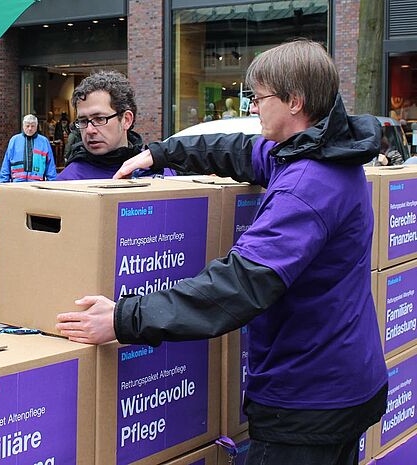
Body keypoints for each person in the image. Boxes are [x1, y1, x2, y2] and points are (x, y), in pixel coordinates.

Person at [56, 39, 386, 465]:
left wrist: (122, 318)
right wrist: (156, 154)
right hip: (343, 378)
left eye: (260, 97)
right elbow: (237, 150)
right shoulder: (316, 152)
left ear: (295, 102)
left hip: (308, 398)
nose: (253, 108)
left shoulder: (307, 186)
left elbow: (238, 284)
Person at [56, 71, 149, 180]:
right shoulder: (66, 181)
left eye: (100, 119)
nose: (89, 130)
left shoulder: (158, 173)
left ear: (126, 120)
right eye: (83, 121)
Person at [0, 114, 56, 182]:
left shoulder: (44, 141)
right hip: (17, 183)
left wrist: (52, 183)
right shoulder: (14, 140)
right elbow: (6, 163)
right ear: (23, 126)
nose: (30, 128)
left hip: (37, 184)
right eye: (27, 126)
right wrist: (4, 183)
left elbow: (50, 165)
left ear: (36, 126)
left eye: (32, 126)